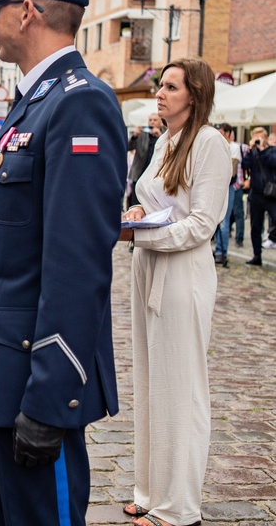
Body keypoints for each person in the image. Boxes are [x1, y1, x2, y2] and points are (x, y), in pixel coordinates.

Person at [0, 0, 127, 526]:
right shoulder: (35, 103)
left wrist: (53, 399)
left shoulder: (80, 106)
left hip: (33, 376)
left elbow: (76, 265)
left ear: (27, 11)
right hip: (0, 367)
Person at [121, 59, 231, 526]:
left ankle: (179, 506)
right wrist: (136, 209)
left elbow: (203, 224)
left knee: (181, 388)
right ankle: (150, 489)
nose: (160, 93)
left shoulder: (210, 144)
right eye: (159, 86)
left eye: (171, 87)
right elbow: (155, 197)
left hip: (182, 273)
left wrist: (139, 235)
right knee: (150, 382)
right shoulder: (167, 140)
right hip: (149, 266)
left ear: (195, 94)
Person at [241, 126, 276, 266]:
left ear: (266, 138)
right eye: (255, 137)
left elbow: (273, 162)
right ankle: (257, 255)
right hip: (256, 194)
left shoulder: (272, 151)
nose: (257, 140)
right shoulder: (253, 152)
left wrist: (262, 149)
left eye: (260, 137)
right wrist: (251, 150)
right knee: (255, 226)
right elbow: (245, 165)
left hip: (272, 195)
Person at [213, 123, 243, 266]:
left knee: (224, 221)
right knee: (217, 221)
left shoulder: (234, 148)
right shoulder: (216, 145)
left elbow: (231, 172)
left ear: (227, 133)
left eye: (220, 132)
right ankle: (218, 250)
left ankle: (222, 252)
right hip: (217, 186)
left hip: (227, 187)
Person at [128, 113, 163, 209]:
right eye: (150, 120)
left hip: (155, 174)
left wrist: (159, 135)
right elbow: (128, 147)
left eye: (155, 120)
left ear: (161, 123)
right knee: (135, 202)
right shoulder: (142, 134)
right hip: (140, 172)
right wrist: (134, 136)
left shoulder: (165, 135)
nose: (152, 122)